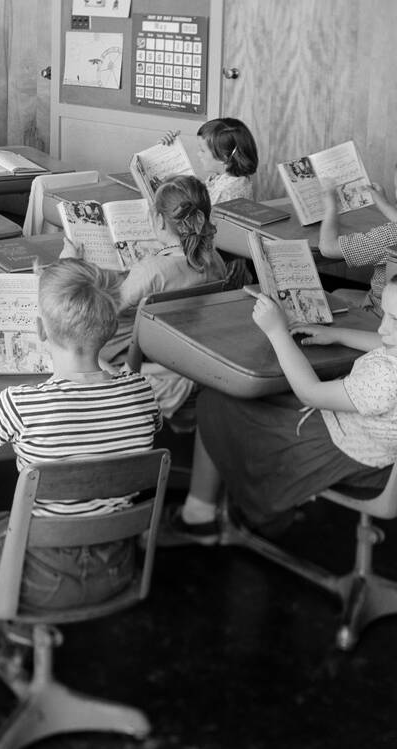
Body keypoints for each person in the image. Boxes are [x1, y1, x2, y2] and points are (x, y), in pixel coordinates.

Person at [0, 259, 161, 609]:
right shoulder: (142, 391)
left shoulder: (20, 405)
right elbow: (121, 401)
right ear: (110, 330)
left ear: (39, 330)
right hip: (117, 568)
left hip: (39, 580)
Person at [177, 281, 397, 538]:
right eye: (385, 314)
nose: (383, 327)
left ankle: (214, 515)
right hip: (368, 445)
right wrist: (338, 334)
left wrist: (276, 331)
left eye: (396, 320)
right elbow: (384, 345)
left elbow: (311, 393)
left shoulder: (387, 377)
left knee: (217, 401)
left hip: (342, 452)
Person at [74, 174, 229, 417]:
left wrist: (73, 264)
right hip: (183, 354)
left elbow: (102, 314)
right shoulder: (216, 261)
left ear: (159, 219)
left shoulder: (152, 270)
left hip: (132, 357)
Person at [317, 161, 397, 316]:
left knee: (335, 295)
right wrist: (384, 204)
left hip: (381, 313)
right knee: (340, 292)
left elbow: (328, 248)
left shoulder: (391, 236)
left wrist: (331, 207)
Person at [161, 118, 258, 206]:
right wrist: (163, 151)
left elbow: (190, 220)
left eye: (202, 150)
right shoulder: (226, 178)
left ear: (223, 158)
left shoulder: (226, 193)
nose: (199, 154)